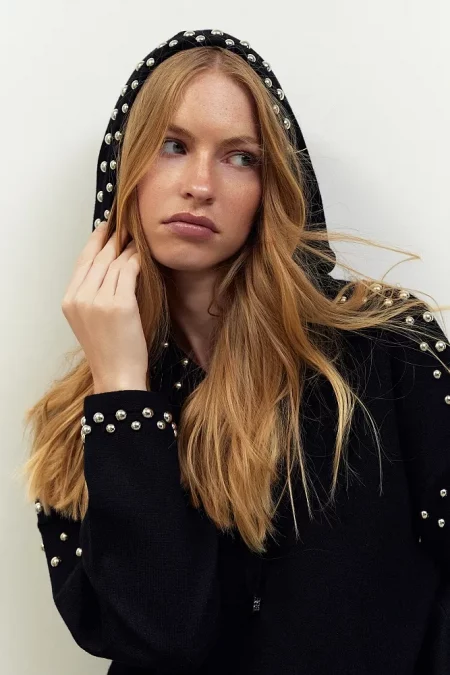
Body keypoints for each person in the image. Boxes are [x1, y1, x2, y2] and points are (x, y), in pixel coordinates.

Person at [21, 28, 450, 675]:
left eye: (240, 157)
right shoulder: (83, 421)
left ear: (272, 184)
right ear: (126, 171)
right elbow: (161, 638)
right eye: (173, 145)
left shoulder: (385, 344)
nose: (200, 184)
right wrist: (123, 389)